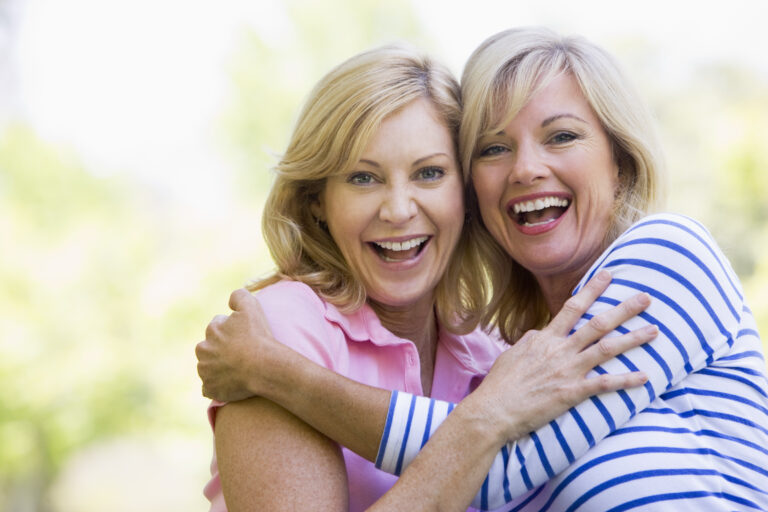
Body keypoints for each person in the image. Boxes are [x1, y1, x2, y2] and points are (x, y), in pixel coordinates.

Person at [198, 43, 654, 511]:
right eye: (363, 178)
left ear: (467, 192)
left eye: (429, 173)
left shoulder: (491, 352)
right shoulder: (279, 334)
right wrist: (484, 421)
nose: (398, 210)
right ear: (317, 200)